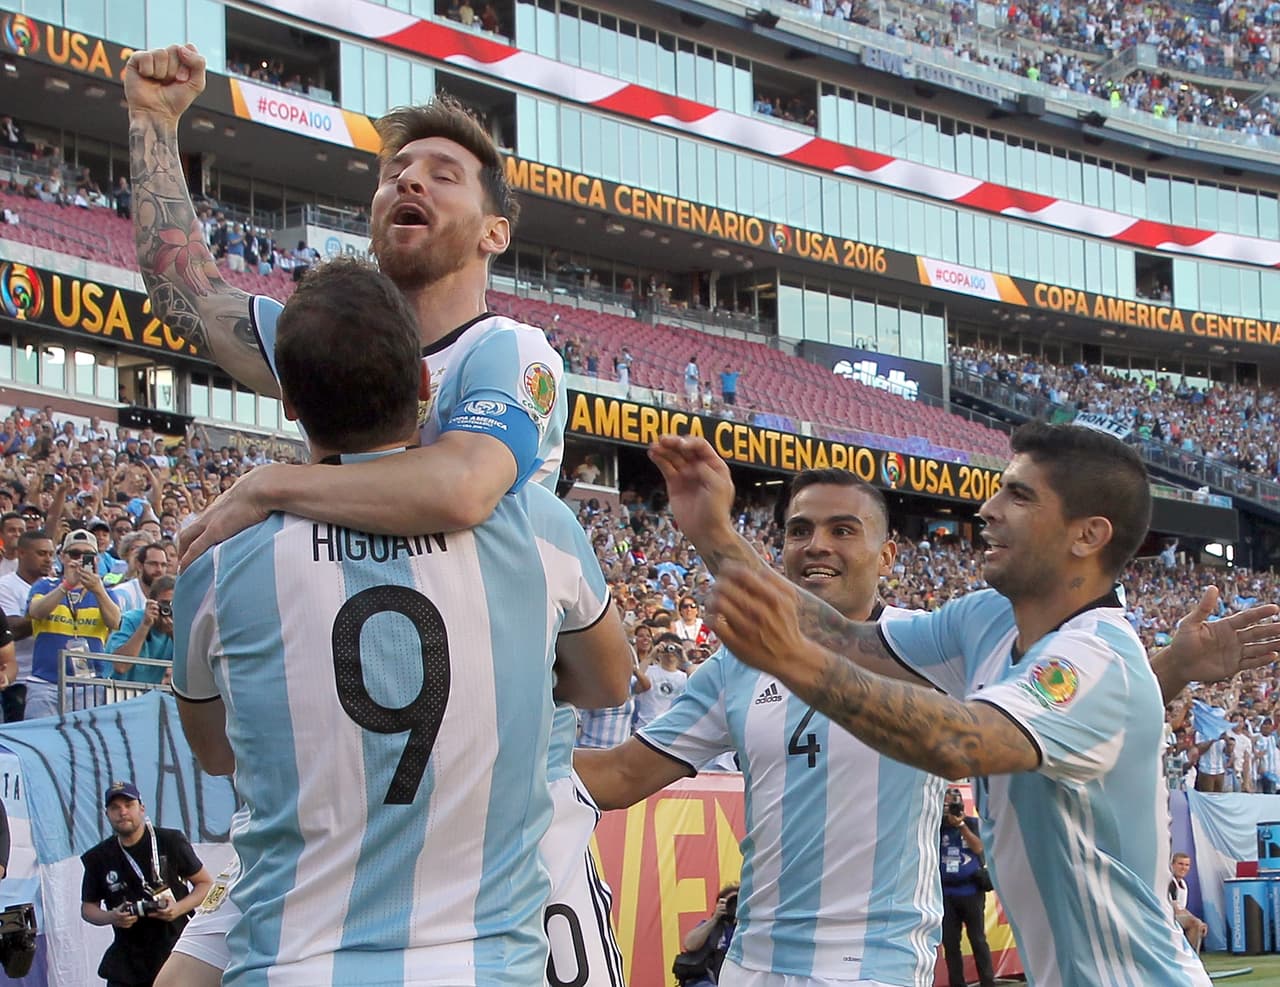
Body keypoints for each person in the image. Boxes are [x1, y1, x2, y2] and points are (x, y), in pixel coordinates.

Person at [128, 44, 626, 987]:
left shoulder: (508, 349)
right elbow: (187, 292)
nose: (412, 181)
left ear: (494, 233)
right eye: (397, 170)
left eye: (444, 174)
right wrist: (155, 127)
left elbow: (465, 487)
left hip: (491, 810)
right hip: (334, 792)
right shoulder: (339, 340)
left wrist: (272, 485)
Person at [672, 423, 1280, 986]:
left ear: (1088, 534)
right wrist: (716, 536)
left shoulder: (1097, 657)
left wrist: (790, 659)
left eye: (1018, 496)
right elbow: (840, 638)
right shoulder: (988, 619)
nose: (986, 511)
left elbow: (960, 741)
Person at [577, 469, 947, 986]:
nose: (817, 545)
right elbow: (620, 775)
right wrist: (500, 749)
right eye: (800, 531)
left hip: (872, 966)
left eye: (843, 530)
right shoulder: (738, 665)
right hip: (752, 963)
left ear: (886, 555)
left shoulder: (928, 648)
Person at [81, 781, 213, 987]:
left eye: (128, 805)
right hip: (129, 959)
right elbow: (88, 909)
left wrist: (178, 908)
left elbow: (206, 884)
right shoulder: (98, 858)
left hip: (175, 949)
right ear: (106, 814)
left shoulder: (170, 840)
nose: (122, 812)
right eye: (115, 807)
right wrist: (112, 917)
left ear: (141, 808)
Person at [25, 529, 121, 718]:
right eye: (74, 554)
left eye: (88, 555)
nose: (80, 560)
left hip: (89, 685)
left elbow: (115, 622)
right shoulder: (45, 585)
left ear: (97, 560)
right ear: (62, 557)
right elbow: (36, 612)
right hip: (46, 683)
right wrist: (66, 586)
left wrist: (97, 589)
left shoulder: (106, 593)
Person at [939, 788, 995, 987]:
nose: (950, 809)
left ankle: (988, 983)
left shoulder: (972, 823)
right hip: (946, 893)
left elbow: (980, 848)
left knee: (978, 940)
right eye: (946, 805)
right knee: (951, 945)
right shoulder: (937, 827)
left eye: (953, 804)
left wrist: (961, 825)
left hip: (971, 891)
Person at [107, 576, 175, 684]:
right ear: (152, 602)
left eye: (173, 604)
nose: (167, 610)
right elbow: (121, 667)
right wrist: (145, 625)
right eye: (164, 604)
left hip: (149, 694)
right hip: (117, 690)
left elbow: (189, 667)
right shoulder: (130, 619)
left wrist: (173, 634)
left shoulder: (178, 627)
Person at [677, 884, 739, 987]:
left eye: (738, 902)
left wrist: (743, 920)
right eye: (731, 902)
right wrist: (715, 918)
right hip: (706, 982)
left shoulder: (748, 929)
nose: (734, 906)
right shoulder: (711, 927)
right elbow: (689, 945)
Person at [630, 632, 687, 731]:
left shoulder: (685, 677)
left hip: (670, 730)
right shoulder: (649, 670)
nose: (670, 651)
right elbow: (635, 682)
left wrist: (684, 657)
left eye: (674, 647)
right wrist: (651, 656)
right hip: (645, 727)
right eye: (666, 647)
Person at [112, 542, 167, 614]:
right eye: (153, 564)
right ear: (139, 566)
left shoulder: (169, 595)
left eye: (163, 565)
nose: (159, 569)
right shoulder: (121, 594)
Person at [1169, 853, 1207, 953]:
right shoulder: (1170, 882)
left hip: (1175, 916)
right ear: (1172, 865)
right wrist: (1195, 921)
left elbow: (1182, 908)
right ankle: (1190, 957)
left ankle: (1194, 956)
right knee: (1195, 923)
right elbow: (1176, 910)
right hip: (1166, 917)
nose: (1183, 868)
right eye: (1180, 864)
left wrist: (1199, 921)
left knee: (1199, 923)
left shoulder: (1183, 884)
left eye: (1187, 865)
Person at [0, 511, 24, 578]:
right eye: (12, 530)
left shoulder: (31, 562)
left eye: (21, 531)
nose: (17, 534)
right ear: (1, 533)